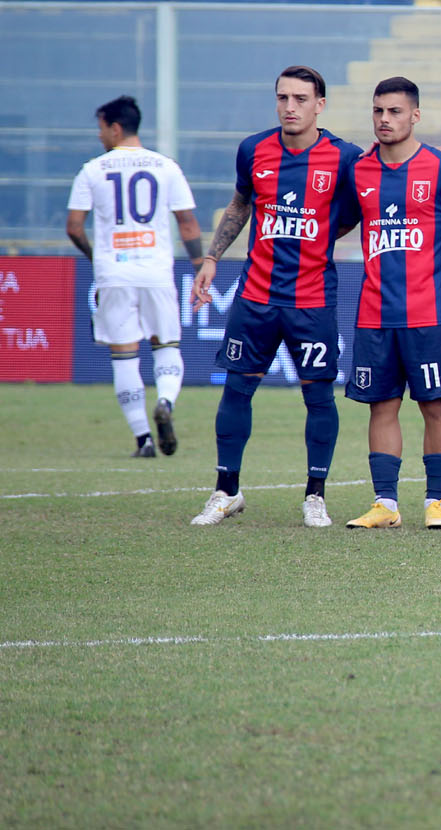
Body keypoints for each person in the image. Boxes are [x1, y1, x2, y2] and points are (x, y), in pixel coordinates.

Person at [186, 66, 362, 527]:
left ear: (320, 105)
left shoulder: (345, 157)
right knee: (237, 389)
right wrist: (211, 257)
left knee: (319, 397)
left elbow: (366, 207)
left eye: (300, 99)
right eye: (283, 97)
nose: (290, 107)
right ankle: (226, 490)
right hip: (256, 296)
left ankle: (315, 496)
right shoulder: (253, 149)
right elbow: (241, 204)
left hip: (312, 298)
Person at [342, 77, 441, 529]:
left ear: (415, 115)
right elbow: (340, 221)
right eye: (378, 111)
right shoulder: (359, 170)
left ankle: (436, 503)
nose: (384, 119)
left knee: (435, 406)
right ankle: (385, 505)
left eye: (394, 111)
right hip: (374, 314)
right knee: (381, 406)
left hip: (429, 313)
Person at [66, 95, 202, 460]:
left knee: (124, 356)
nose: (99, 136)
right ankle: (165, 402)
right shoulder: (166, 167)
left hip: (114, 273)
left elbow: (74, 227)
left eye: (100, 129)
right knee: (166, 346)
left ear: (115, 128)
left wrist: (98, 258)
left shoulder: (92, 170)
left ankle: (143, 439)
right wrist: (200, 266)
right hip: (156, 271)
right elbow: (187, 222)